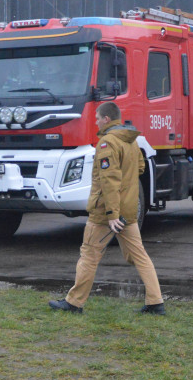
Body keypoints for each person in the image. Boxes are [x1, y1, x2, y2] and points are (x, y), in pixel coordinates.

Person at [49, 102, 165, 315]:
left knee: (89, 255)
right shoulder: (131, 141)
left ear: (107, 119)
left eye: (97, 118)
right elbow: (139, 167)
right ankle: (156, 302)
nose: (95, 121)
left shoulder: (107, 143)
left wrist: (112, 214)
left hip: (106, 213)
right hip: (129, 210)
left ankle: (74, 303)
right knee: (139, 255)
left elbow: (109, 180)